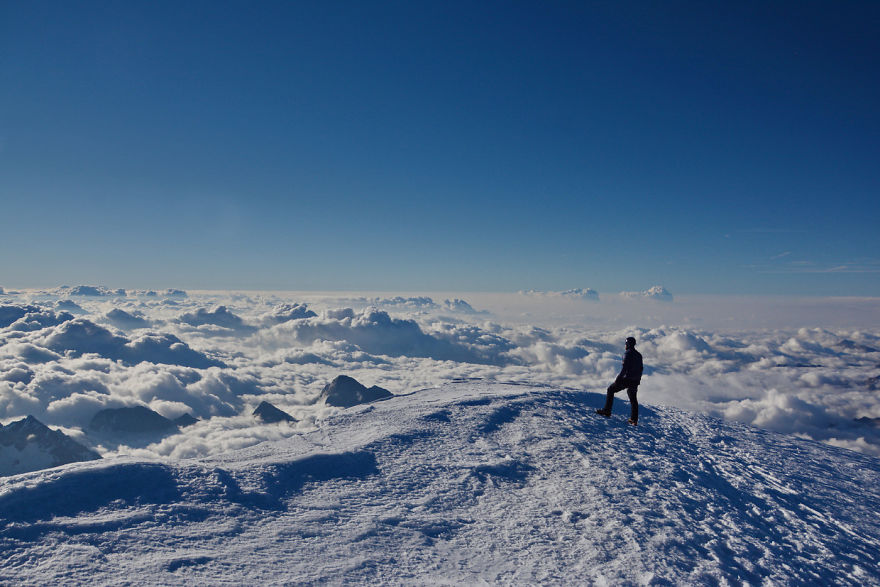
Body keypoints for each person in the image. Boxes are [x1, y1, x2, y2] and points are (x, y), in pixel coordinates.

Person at [596, 336, 643, 425]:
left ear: (628, 344)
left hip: (626, 379)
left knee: (610, 389)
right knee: (633, 399)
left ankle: (607, 411)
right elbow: (641, 369)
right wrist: (638, 380)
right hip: (635, 380)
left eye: (626, 344)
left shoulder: (627, 354)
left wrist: (618, 379)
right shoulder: (639, 355)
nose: (625, 345)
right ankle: (634, 420)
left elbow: (624, 369)